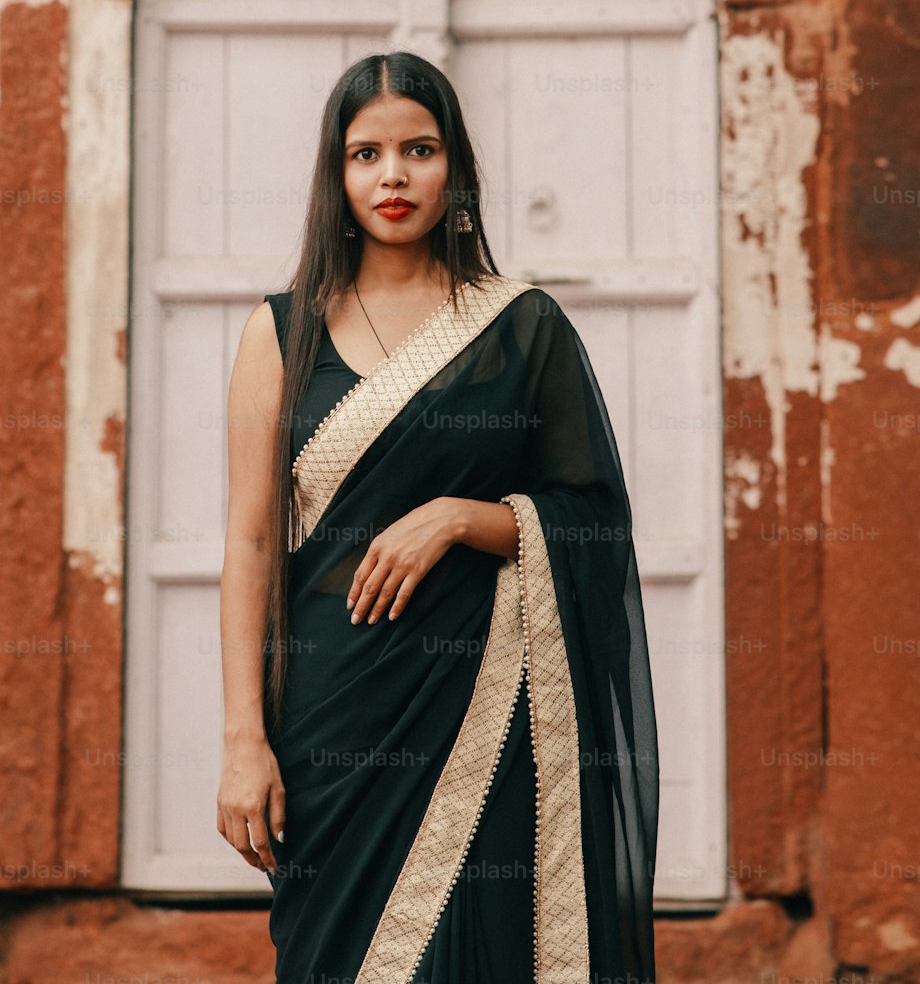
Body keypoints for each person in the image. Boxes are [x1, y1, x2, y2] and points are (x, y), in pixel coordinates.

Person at [216, 51, 659, 984]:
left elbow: (593, 523)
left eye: (418, 150)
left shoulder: (521, 327)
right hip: (332, 713)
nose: (392, 177)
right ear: (336, 177)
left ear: (454, 167)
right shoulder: (282, 329)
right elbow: (252, 542)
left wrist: (462, 517)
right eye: (365, 154)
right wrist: (242, 740)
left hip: (485, 703)